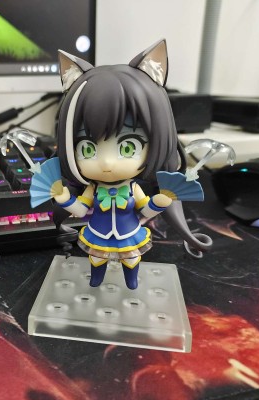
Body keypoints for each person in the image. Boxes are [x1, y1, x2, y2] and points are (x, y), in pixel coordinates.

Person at [51, 40, 212, 289]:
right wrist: (64, 199)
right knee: (96, 259)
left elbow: (144, 210)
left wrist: (159, 202)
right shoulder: (93, 190)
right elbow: (81, 211)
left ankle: (132, 281)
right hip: (98, 234)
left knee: (131, 259)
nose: (106, 163)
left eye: (128, 147)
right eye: (88, 149)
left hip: (129, 235)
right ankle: (96, 280)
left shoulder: (133, 189)